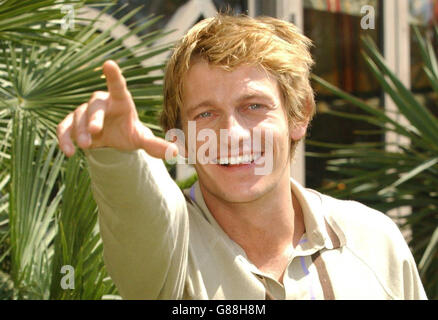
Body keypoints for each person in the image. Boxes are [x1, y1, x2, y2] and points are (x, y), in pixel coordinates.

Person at [56, 14, 427, 300]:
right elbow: (138, 210)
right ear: (181, 138)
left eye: (253, 106)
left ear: (299, 116)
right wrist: (117, 154)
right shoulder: (167, 254)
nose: (231, 134)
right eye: (205, 114)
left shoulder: (374, 239)